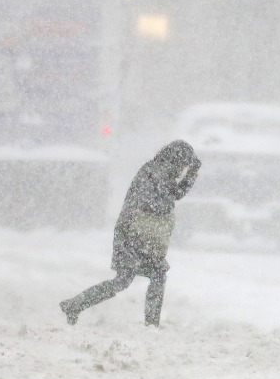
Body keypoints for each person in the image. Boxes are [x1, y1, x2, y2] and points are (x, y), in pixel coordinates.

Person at [61, 140, 201, 327]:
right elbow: (166, 199)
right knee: (129, 279)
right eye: (184, 165)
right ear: (177, 160)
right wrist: (189, 177)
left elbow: (174, 194)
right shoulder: (155, 173)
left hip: (141, 236)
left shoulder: (159, 171)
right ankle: (76, 305)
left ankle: (76, 305)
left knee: (147, 276)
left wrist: (191, 174)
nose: (183, 169)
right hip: (133, 236)